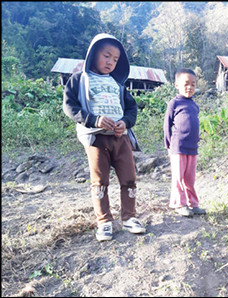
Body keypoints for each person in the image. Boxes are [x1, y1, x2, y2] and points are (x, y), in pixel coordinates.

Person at [63, 33, 146, 241]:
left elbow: (131, 109)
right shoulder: (80, 80)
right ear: (93, 55)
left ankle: (129, 218)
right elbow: (69, 106)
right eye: (106, 56)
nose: (111, 62)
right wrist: (94, 119)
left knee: (129, 178)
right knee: (100, 181)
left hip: (121, 138)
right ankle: (104, 222)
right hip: (96, 139)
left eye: (115, 59)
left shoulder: (117, 85)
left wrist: (125, 123)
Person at [163, 68, 205, 217]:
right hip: (178, 147)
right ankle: (179, 204)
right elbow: (167, 125)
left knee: (189, 178)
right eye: (186, 84)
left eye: (193, 84)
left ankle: (193, 204)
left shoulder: (194, 105)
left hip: (192, 148)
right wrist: (168, 145)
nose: (190, 87)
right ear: (177, 85)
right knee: (178, 177)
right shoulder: (174, 103)